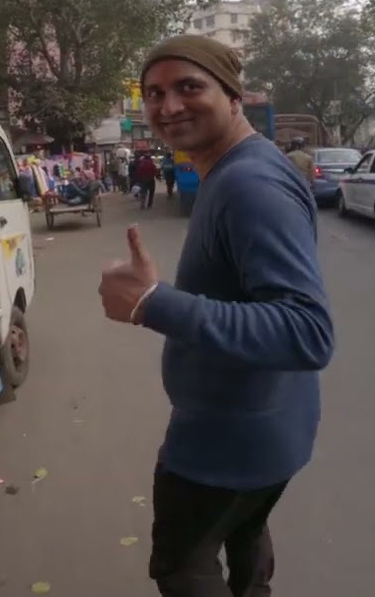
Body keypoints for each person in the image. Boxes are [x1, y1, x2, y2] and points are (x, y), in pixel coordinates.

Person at [98, 35, 333, 597]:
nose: (168, 106)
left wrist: (154, 302)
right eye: (154, 93)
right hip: (270, 430)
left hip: (224, 445)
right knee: (245, 529)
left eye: (188, 87)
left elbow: (307, 331)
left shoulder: (249, 184)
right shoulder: (234, 170)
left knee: (182, 566)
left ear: (233, 96)